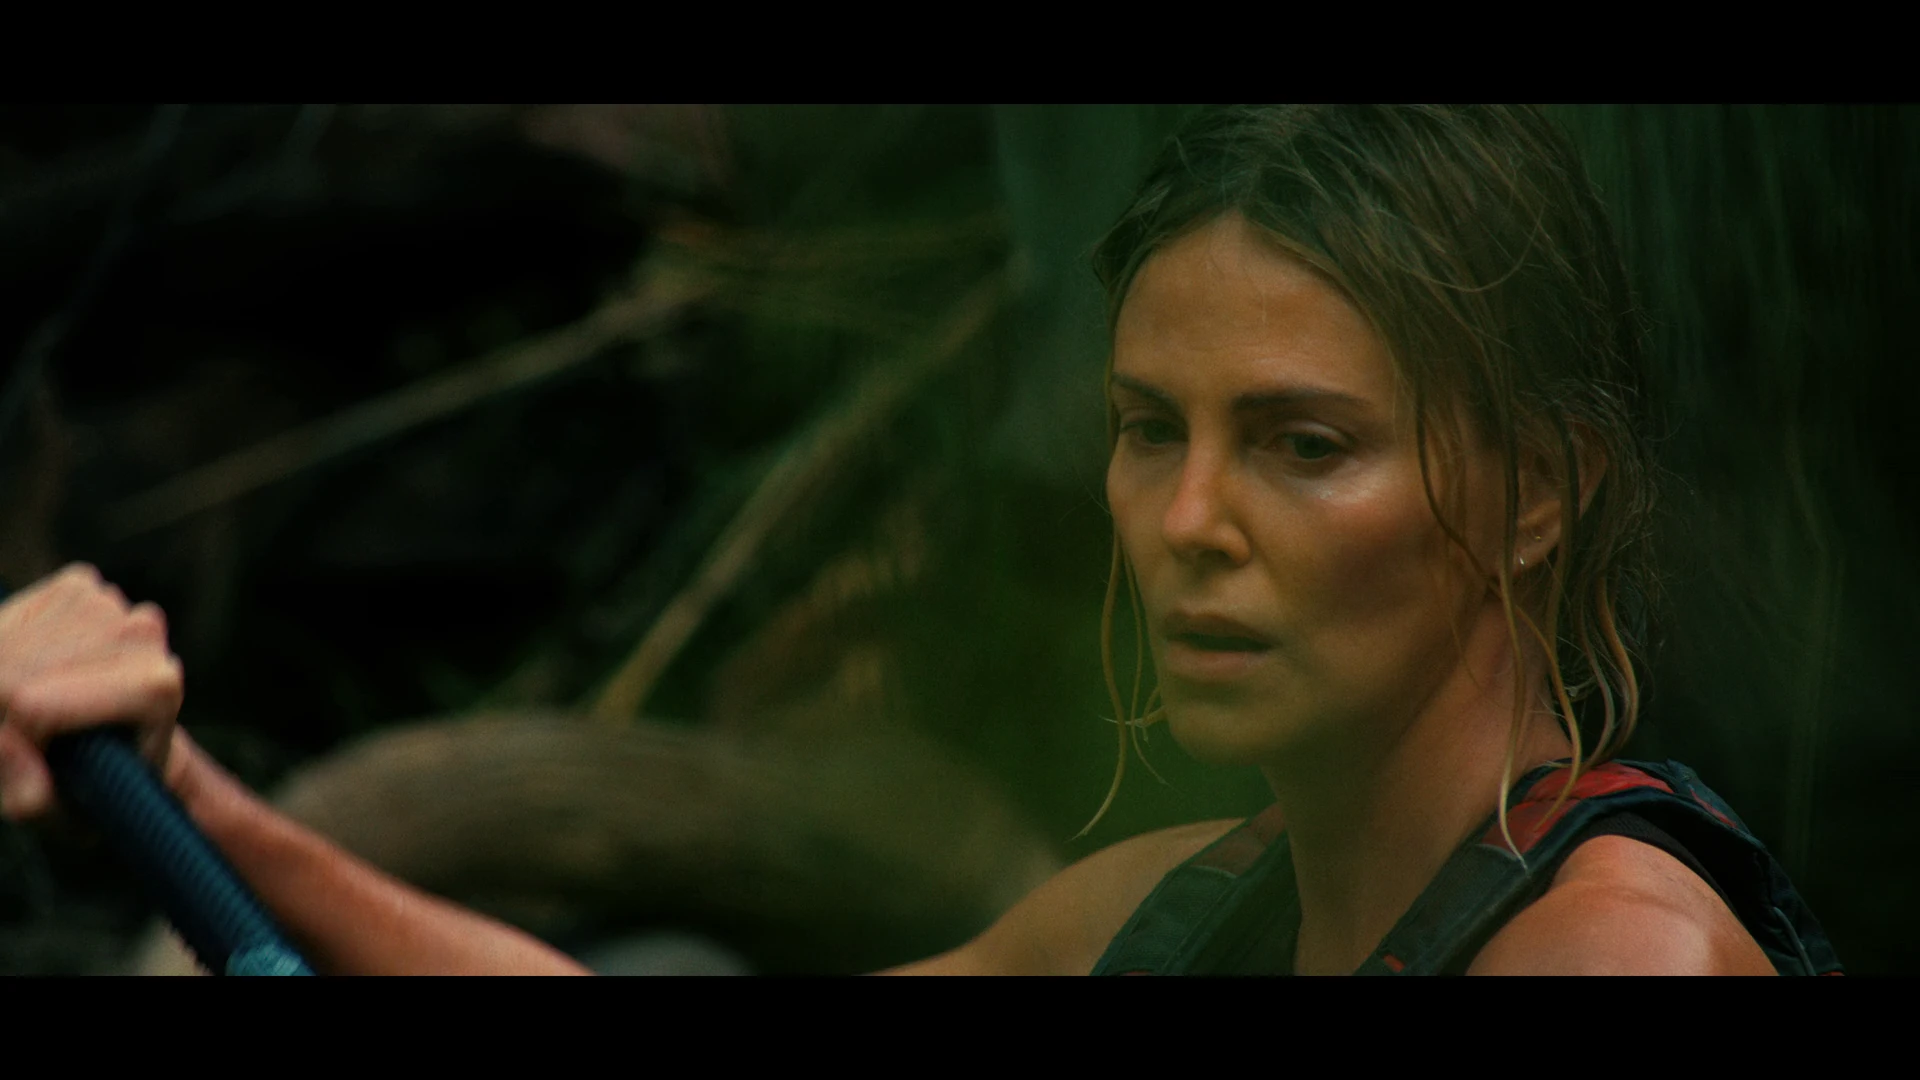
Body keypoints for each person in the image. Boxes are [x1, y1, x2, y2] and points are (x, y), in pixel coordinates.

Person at [0, 105, 1839, 975]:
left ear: (1541, 489)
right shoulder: (1184, 913)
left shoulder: (1616, 958)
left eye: (1305, 446)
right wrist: (197, 804)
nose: (1188, 522)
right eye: (1149, 431)